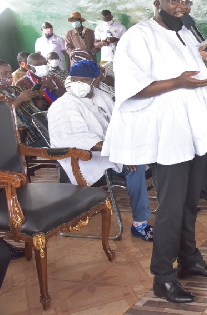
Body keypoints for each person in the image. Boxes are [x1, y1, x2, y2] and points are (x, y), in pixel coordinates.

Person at [102, 0, 207, 303]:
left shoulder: (189, 33)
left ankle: (189, 260)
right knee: (172, 208)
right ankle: (163, 277)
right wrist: (177, 82)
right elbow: (131, 88)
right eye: (175, 0)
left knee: (190, 202)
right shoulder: (139, 36)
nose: (182, 6)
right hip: (169, 135)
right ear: (157, 2)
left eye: (186, 0)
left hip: (196, 131)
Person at [48, 60, 154, 241]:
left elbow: (119, 119)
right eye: (75, 79)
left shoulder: (99, 94)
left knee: (157, 150)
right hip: (87, 158)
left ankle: (171, 205)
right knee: (134, 166)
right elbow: (80, 139)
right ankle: (140, 223)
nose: (79, 84)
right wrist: (120, 151)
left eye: (85, 80)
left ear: (95, 80)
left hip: (112, 148)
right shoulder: (63, 106)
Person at [0, 59, 46, 147]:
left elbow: (37, 110)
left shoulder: (17, 89)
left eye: (10, 72)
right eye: (5, 73)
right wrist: (19, 100)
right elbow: (4, 115)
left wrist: (39, 97)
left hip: (42, 129)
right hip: (27, 137)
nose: (9, 76)